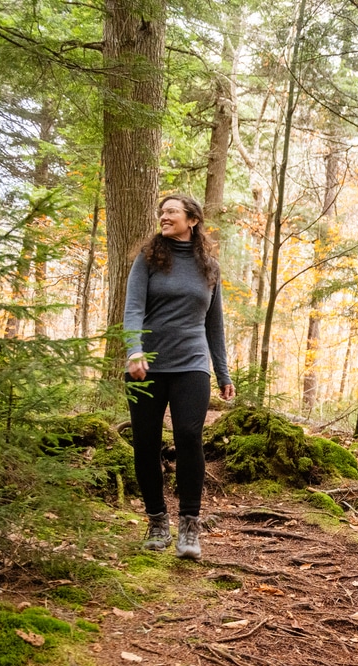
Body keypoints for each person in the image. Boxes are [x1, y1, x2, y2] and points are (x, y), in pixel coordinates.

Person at [123, 194, 234, 558]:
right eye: (161, 211)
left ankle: (189, 526)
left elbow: (214, 325)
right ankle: (156, 521)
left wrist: (222, 372)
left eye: (171, 211)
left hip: (192, 363)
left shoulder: (210, 268)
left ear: (192, 220)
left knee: (189, 436)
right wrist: (134, 350)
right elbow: (134, 309)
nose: (163, 216)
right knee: (146, 442)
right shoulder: (148, 260)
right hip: (148, 366)